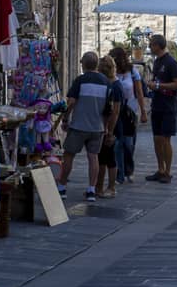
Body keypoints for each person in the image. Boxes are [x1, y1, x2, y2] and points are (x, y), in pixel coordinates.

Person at [59, 49, 122, 201]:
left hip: (79, 125)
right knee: (93, 157)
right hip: (97, 127)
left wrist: (66, 118)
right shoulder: (107, 83)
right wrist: (106, 127)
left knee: (69, 155)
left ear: (84, 65)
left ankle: (62, 187)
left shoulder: (80, 80)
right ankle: (91, 190)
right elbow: (109, 110)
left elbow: (71, 102)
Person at [146, 33, 177, 184]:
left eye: (152, 44)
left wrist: (159, 86)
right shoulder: (157, 62)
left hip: (168, 105)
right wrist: (152, 83)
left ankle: (167, 171)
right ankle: (160, 169)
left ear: (158, 46)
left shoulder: (171, 62)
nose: (149, 47)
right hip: (157, 103)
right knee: (157, 139)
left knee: (166, 139)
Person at [111, 43, 147, 184]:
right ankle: (119, 173)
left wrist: (143, 111)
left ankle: (129, 169)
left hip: (130, 112)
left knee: (129, 143)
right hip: (115, 111)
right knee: (117, 143)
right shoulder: (110, 73)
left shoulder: (132, 72)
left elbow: (139, 92)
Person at [95, 56, 120, 197]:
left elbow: (115, 111)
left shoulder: (115, 86)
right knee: (102, 157)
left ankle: (111, 187)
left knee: (109, 157)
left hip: (112, 125)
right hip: (104, 125)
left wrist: (110, 131)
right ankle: (99, 187)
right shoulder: (108, 84)